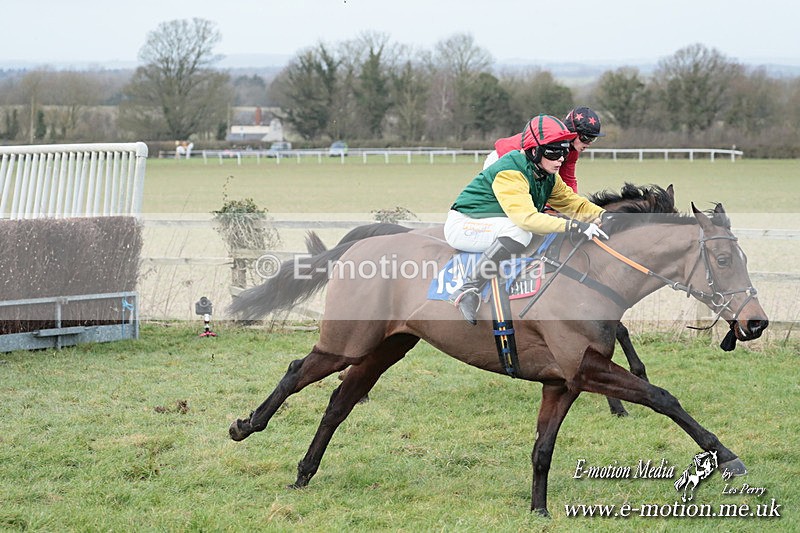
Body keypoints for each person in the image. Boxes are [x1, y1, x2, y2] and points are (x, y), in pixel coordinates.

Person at [446, 114, 609, 324]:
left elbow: (574, 203)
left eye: (564, 151)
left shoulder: (547, 174)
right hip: (465, 224)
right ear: (535, 151)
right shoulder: (511, 171)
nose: (561, 158)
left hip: (494, 223)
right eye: (554, 152)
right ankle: (469, 288)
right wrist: (573, 226)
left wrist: (606, 216)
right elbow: (527, 219)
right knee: (520, 231)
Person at [483, 106, 605, 194]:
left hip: (523, 168)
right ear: (573, 131)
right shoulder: (553, 138)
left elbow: (568, 180)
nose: (588, 144)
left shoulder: (572, 152)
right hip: (501, 159)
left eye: (592, 139)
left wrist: (576, 208)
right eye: (585, 138)